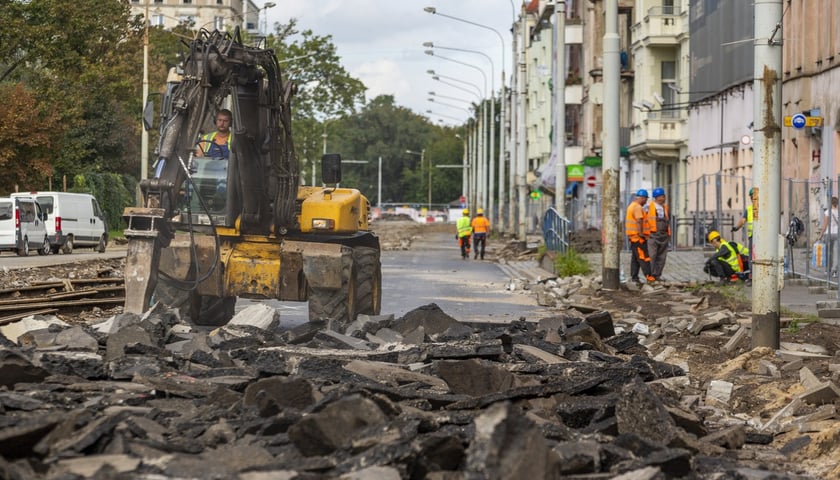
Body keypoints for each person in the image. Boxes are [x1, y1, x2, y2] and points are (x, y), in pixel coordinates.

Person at [625, 189, 656, 284]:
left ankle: (634, 277)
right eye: (645, 199)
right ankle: (649, 276)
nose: (646, 201)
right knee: (644, 257)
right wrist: (641, 233)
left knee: (635, 258)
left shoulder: (631, 206)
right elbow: (639, 221)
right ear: (642, 198)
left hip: (633, 237)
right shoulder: (637, 207)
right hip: (638, 238)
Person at [647, 187, 671, 281]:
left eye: (664, 196)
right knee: (652, 256)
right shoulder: (649, 206)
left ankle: (657, 275)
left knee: (662, 257)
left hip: (663, 235)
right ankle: (650, 275)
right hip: (653, 235)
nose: (664, 198)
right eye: (662, 196)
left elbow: (667, 221)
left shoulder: (665, 207)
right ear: (656, 197)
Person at [732, 187, 758, 260]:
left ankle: (753, 269)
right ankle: (752, 269)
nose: (752, 199)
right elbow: (742, 221)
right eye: (751, 197)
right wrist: (736, 227)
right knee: (752, 255)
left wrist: (736, 228)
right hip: (752, 236)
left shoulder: (763, 207)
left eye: (753, 197)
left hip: (759, 236)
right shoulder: (749, 209)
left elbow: (742, 221)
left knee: (753, 255)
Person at [819, 196, 840, 278]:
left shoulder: (827, 212)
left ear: (830, 203)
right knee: (836, 253)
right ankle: (835, 271)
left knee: (828, 253)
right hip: (837, 234)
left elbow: (825, 225)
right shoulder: (838, 212)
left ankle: (828, 270)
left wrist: (820, 234)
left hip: (828, 234)